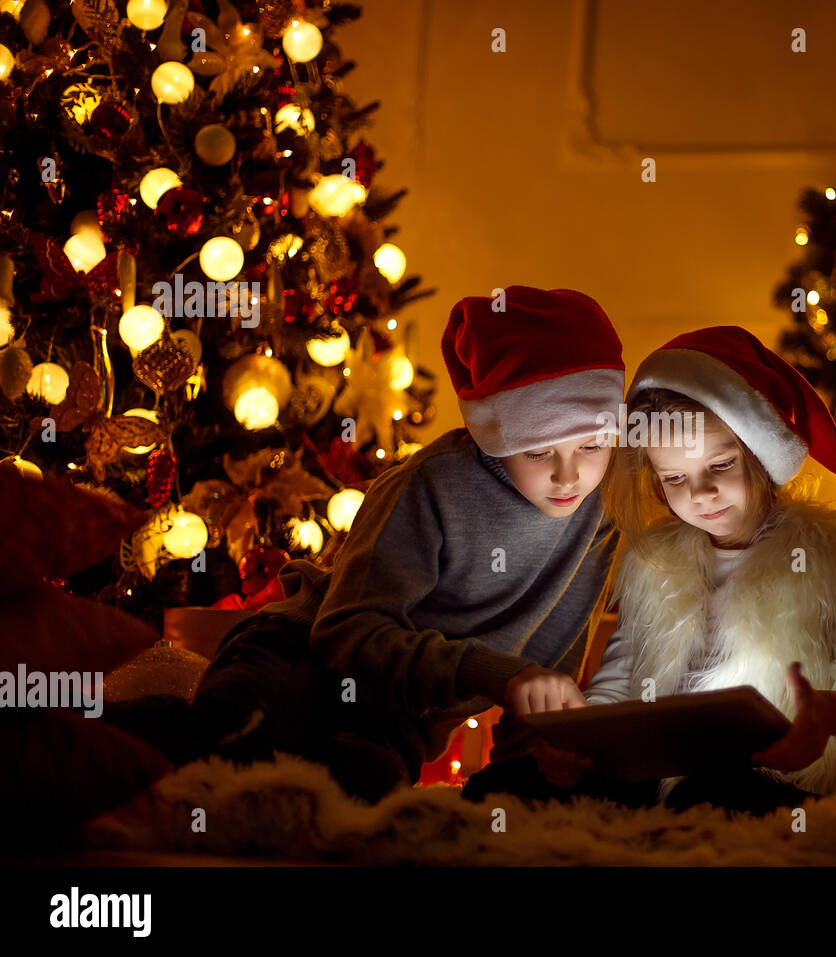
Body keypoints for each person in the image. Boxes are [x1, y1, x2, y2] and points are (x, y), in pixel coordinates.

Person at [184, 286, 628, 803]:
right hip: (297, 660)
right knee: (222, 751)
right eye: (537, 451)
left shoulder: (600, 513)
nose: (568, 475)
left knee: (353, 792)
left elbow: (548, 673)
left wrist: (536, 761)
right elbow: (346, 631)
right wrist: (493, 672)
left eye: (593, 445)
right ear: (497, 435)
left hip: (396, 727)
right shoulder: (432, 485)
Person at [582, 326, 836, 817]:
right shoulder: (651, 566)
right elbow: (619, 678)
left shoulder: (832, 559)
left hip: (775, 781)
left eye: (720, 465)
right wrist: (584, 733)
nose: (700, 493)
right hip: (659, 776)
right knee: (514, 783)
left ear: (760, 454)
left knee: (711, 792)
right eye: (675, 477)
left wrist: (825, 715)